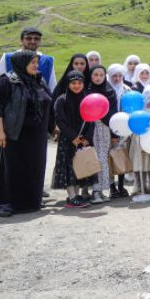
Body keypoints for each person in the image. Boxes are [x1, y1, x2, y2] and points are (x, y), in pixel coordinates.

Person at [0, 51, 53, 217]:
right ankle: (7, 202)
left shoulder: (39, 80)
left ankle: (31, 200)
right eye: (33, 63)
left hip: (36, 136)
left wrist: (54, 127)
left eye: (37, 62)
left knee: (34, 168)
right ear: (22, 63)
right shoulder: (6, 81)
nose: (36, 66)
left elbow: (47, 103)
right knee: (13, 169)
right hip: (14, 134)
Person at [52, 71, 96, 208]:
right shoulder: (61, 100)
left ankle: (77, 195)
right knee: (68, 168)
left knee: (80, 167)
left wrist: (87, 137)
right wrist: (73, 137)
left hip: (84, 140)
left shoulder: (87, 99)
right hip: (68, 141)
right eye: (73, 83)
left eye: (80, 83)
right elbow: (60, 121)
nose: (77, 86)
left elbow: (92, 120)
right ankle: (72, 196)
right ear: (68, 84)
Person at [86, 66, 118, 204]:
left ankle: (100, 190)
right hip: (89, 128)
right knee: (91, 158)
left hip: (104, 128)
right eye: (95, 75)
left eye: (101, 75)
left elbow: (113, 114)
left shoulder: (110, 92)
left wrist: (114, 134)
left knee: (102, 158)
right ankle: (93, 190)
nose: (98, 77)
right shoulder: (86, 90)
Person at [0, 26, 56, 91]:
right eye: (28, 38)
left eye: (36, 39)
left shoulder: (47, 61)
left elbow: (52, 87)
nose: (33, 41)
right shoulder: (8, 58)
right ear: (21, 40)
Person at [106, 64, 131, 198]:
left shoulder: (127, 89)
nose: (117, 78)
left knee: (121, 156)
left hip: (124, 129)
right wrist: (112, 133)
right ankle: (112, 187)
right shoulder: (105, 89)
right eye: (114, 75)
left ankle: (121, 186)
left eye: (120, 75)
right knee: (110, 158)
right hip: (108, 128)